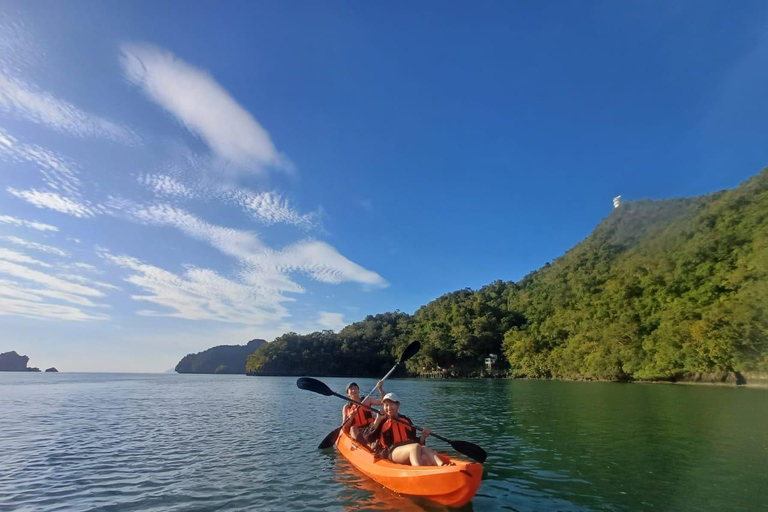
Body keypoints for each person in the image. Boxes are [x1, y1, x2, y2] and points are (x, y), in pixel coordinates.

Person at [364, 392, 446, 466]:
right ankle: (417, 470)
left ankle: (443, 466)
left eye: (392, 404)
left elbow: (416, 441)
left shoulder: (406, 420)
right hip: (390, 452)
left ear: (398, 405)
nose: (389, 408)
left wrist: (423, 437)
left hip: (407, 450)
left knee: (424, 448)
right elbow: (367, 438)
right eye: (386, 405)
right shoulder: (381, 421)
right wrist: (377, 420)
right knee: (415, 447)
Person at [342, 380, 384, 444]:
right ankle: (363, 444)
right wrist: (351, 417)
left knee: (380, 421)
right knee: (353, 429)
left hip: (370, 427)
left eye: (355, 388)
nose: (353, 390)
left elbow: (383, 402)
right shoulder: (346, 407)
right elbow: (344, 426)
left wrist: (380, 389)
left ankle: (377, 441)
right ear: (348, 393)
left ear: (358, 390)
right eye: (351, 389)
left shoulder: (367, 400)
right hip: (358, 430)